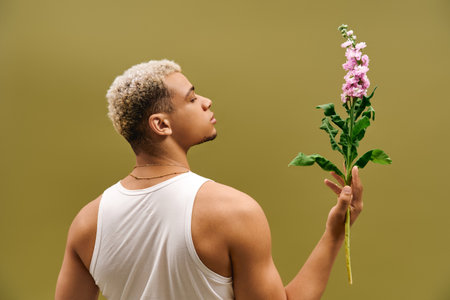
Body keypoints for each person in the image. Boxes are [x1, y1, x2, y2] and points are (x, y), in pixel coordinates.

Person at [55, 59, 363, 300]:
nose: (206, 101)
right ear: (161, 124)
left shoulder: (87, 224)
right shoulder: (234, 212)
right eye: (191, 99)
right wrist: (335, 233)